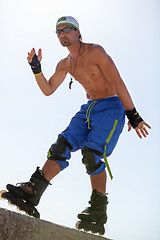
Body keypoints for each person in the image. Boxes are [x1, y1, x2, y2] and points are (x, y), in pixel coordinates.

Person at [5, 16, 151, 234]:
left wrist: (133, 113)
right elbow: (48, 89)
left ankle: (97, 210)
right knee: (60, 146)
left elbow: (117, 81)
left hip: (111, 107)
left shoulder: (95, 52)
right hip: (89, 108)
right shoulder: (65, 64)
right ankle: (33, 192)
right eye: (58, 31)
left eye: (67, 29)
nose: (62, 34)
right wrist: (36, 68)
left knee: (92, 154)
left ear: (78, 33)